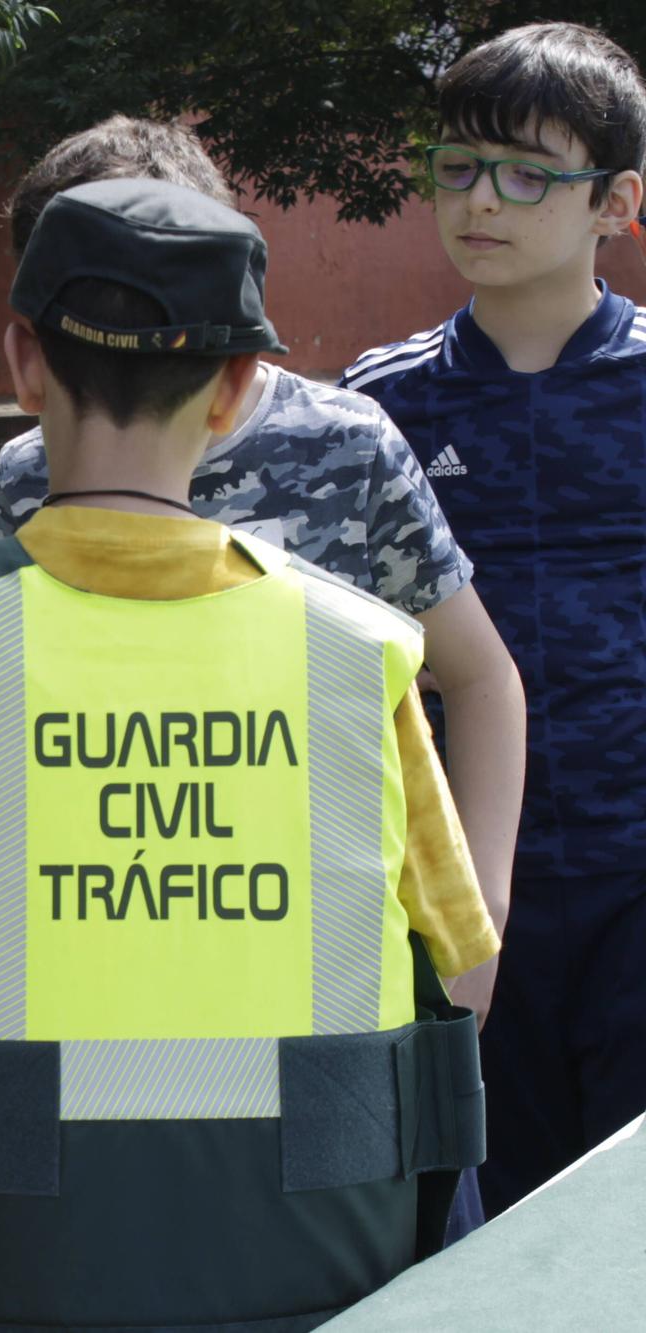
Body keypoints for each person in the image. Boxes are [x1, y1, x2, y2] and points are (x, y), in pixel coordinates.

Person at [0, 179, 500, 1332]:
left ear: (21, 361)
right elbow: (459, 968)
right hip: (315, 1265)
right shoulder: (357, 654)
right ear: (235, 388)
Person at [0, 118, 522, 1031]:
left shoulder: (346, 445)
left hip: (331, 961)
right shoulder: (25, 473)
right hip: (117, 949)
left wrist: (478, 919)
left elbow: (479, 675)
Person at [339, 21, 646, 1219]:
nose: (480, 200)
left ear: (614, 202)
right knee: (489, 1224)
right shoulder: (377, 407)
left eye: (526, 174)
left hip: (634, 880)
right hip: (454, 888)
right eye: (456, 167)